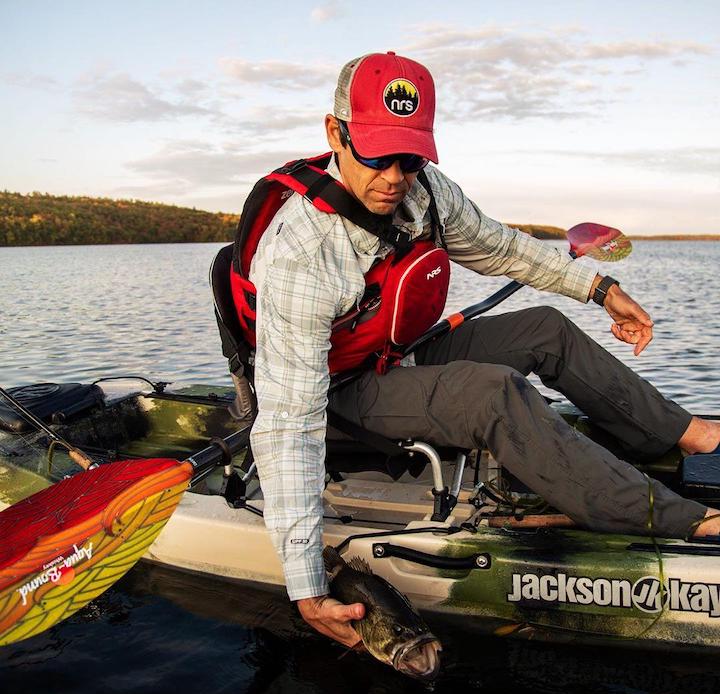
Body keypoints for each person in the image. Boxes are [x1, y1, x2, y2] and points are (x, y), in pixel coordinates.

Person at [246, 51, 720, 649]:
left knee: (544, 327)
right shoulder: (301, 252)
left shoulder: (428, 194)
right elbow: (290, 420)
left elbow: (502, 248)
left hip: (400, 350)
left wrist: (601, 289)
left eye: (411, 156)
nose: (394, 176)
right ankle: (680, 519)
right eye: (374, 154)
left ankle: (691, 435)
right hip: (340, 389)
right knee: (492, 394)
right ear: (334, 133)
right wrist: (305, 580)